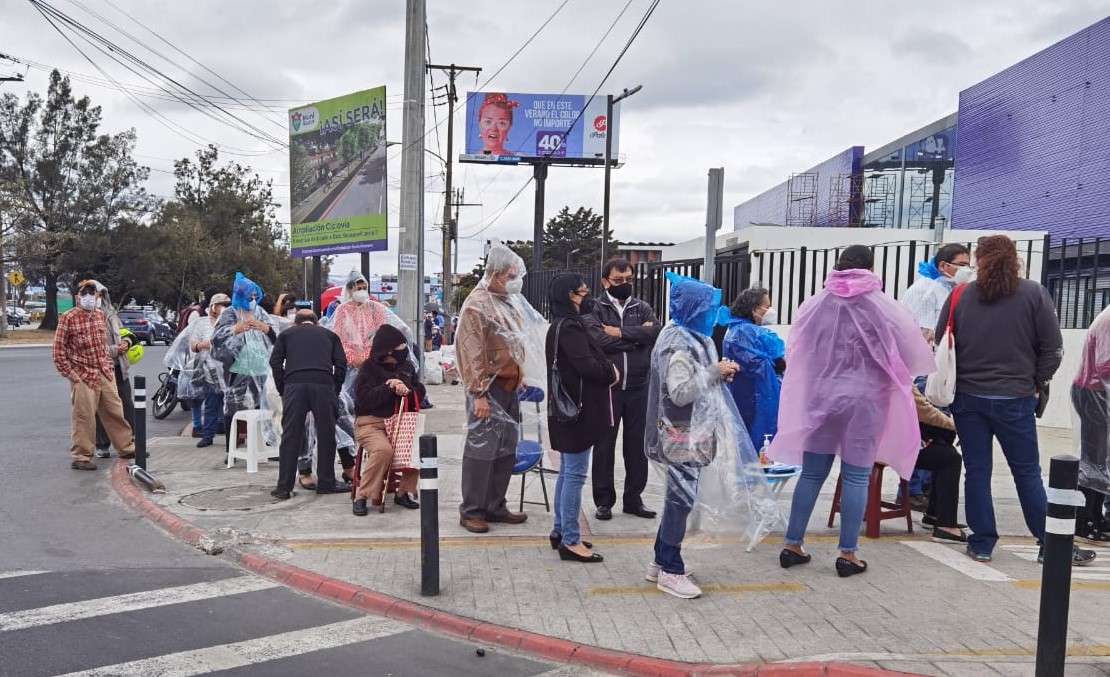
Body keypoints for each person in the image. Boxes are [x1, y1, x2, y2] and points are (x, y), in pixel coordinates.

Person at [771, 245, 935, 577]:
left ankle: (792, 544)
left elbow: (797, 349)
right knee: (857, 475)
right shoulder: (885, 306)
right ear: (871, 267)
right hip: (865, 399)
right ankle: (848, 553)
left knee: (813, 473)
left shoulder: (815, 304)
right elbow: (913, 354)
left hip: (821, 397)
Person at [937, 235, 1094, 565]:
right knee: (1026, 473)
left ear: (979, 259)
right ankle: (1048, 542)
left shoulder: (961, 294)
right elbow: (1052, 348)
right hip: (1015, 398)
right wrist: (1035, 382)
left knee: (977, 472)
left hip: (967, 399)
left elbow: (942, 340)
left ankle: (981, 544)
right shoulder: (1033, 293)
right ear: (1015, 258)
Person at [645, 273, 784, 599]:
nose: (713, 313)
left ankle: (659, 560)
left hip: (693, 431)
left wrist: (717, 374)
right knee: (680, 501)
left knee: (678, 500)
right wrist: (713, 372)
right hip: (681, 433)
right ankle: (670, 568)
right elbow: (679, 393)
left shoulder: (692, 336)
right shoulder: (677, 344)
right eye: (708, 307)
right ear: (693, 308)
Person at [455, 244, 548, 533]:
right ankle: (472, 510)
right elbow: (470, 352)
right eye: (511, 275)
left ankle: (496, 505)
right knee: (482, 450)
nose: (515, 280)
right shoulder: (477, 304)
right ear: (495, 275)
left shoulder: (506, 300)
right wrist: (479, 393)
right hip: (488, 389)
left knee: (506, 449)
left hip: (508, 386)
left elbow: (515, 341)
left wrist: (520, 374)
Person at [547, 273, 618, 562]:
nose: (587, 297)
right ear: (570, 296)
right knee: (574, 473)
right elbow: (586, 366)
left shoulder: (559, 326)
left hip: (567, 412)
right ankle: (570, 541)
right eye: (582, 293)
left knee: (567, 471)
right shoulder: (571, 329)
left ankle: (560, 531)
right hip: (578, 413)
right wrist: (610, 372)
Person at [901, 243, 972, 510]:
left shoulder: (950, 290)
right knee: (926, 432)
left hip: (939, 371)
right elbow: (923, 334)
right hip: (923, 372)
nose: (967, 270)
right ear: (944, 266)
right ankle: (913, 489)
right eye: (962, 264)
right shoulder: (925, 290)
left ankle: (930, 488)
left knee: (940, 433)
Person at [588, 257, 660, 520]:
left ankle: (634, 499)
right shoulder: (595, 308)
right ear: (605, 281)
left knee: (637, 446)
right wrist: (634, 338)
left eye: (629, 279)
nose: (624, 284)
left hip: (640, 387)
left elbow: (654, 333)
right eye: (618, 280)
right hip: (609, 388)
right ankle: (604, 500)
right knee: (604, 446)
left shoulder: (642, 307)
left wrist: (618, 333)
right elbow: (597, 340)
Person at [53, 279, 136, 470]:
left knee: (116, 412)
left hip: (104, 373)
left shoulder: (101, 316)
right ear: (77, 297)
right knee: (84, 417)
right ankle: (81, 457)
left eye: (93, 294)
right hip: (83, 376)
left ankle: (126, 447)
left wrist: (109, 364)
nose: (90, 297)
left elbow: (102, 347)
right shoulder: (68, 317)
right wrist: (73, 376)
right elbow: (58, 352)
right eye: (85, 294)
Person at [269, 310, 350, 500]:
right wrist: (335, 389)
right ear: (316, 323)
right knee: (327, 435)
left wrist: (283, 388)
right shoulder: (330, 335)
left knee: (291, 436)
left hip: (294, 386)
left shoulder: (286, 335)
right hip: (323, 385)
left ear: (295, 324)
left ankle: (284, 487)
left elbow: (275, 362)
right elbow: (341, 364)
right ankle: (326, 482)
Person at [327, 271, 393, 485]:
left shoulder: (376, 309)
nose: (361, 292)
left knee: (371, 408)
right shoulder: (341, 311)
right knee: (345, 412)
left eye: (364, 287)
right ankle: (350, 461)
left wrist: (366, 357)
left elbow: (381, 335)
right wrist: (352, 358)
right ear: (349, 290)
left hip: (372, 367)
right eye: (357, 288)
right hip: (348, 368)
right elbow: (337, 338)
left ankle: (374, 458)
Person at [352, 324, 425, 515]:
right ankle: (363, 495)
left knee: (415, 449)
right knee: (383, 450)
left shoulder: (406, 367)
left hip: (399, 421)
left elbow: (420, 391)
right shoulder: (369, 368)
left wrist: (408, 391)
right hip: (371, 423)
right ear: (389, 349)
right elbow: (364, 399)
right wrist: (388, 386)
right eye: (401, 347)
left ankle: (403, 492)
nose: (405, 350)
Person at [210, 273, 277, 454]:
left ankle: (265, 445)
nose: (253, 300)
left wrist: (265, 328)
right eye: (250, 297)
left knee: (263, 405)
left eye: (256, 297)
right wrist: (235, 329)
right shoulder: (230, 313)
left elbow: (275, 333)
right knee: (233, 406)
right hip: (236, 368)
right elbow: (216, 339)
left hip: (260, 366)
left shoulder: (260, 313)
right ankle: (231, 449)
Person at [722, 287, 785, 453]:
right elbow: (777, 359)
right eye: (767, 306)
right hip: (759, 398)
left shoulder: (735, 330)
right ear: (755, 309)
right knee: (760, 445)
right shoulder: (747, 332)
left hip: (743, 397)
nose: (770, 311)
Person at [1071, 305, 1110, 542]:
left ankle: (1095, 515)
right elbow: (1105, 363)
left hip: (1096, 392)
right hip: (1093, 392)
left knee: (1101, 459)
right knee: (1093, 461)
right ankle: (1084, 519)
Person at [912, 386, 967, 543]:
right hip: (891, 446)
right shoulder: (896, 375)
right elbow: (925, 411)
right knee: (950, 459)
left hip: (879, 440)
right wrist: (955, 426)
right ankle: (945, 525)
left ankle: (934, 514)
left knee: (944, 452)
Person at [92, 282, 140, 459]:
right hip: (99, 368)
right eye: (93, 294)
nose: (97, 298)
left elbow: (124, 331)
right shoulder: (83, 317)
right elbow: (89, 348)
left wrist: (126, 342)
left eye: (100, 294)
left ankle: (131, 442)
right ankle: (102, 444)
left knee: (126, 403)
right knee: (101, 408)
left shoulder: (111, 313)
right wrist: (113, 350)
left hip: (119, 366)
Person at [185, 293, 230, 448]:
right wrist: (206, 344)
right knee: (211, 405)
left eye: (227, 304)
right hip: (210, 371)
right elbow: (193, 345)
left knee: (231, 407)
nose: (225, 308)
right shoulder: (202, 323)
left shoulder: (232, 323)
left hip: (229, 371)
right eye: (222, 304)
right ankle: (208, 435)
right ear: (213, 306)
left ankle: (233, 439)